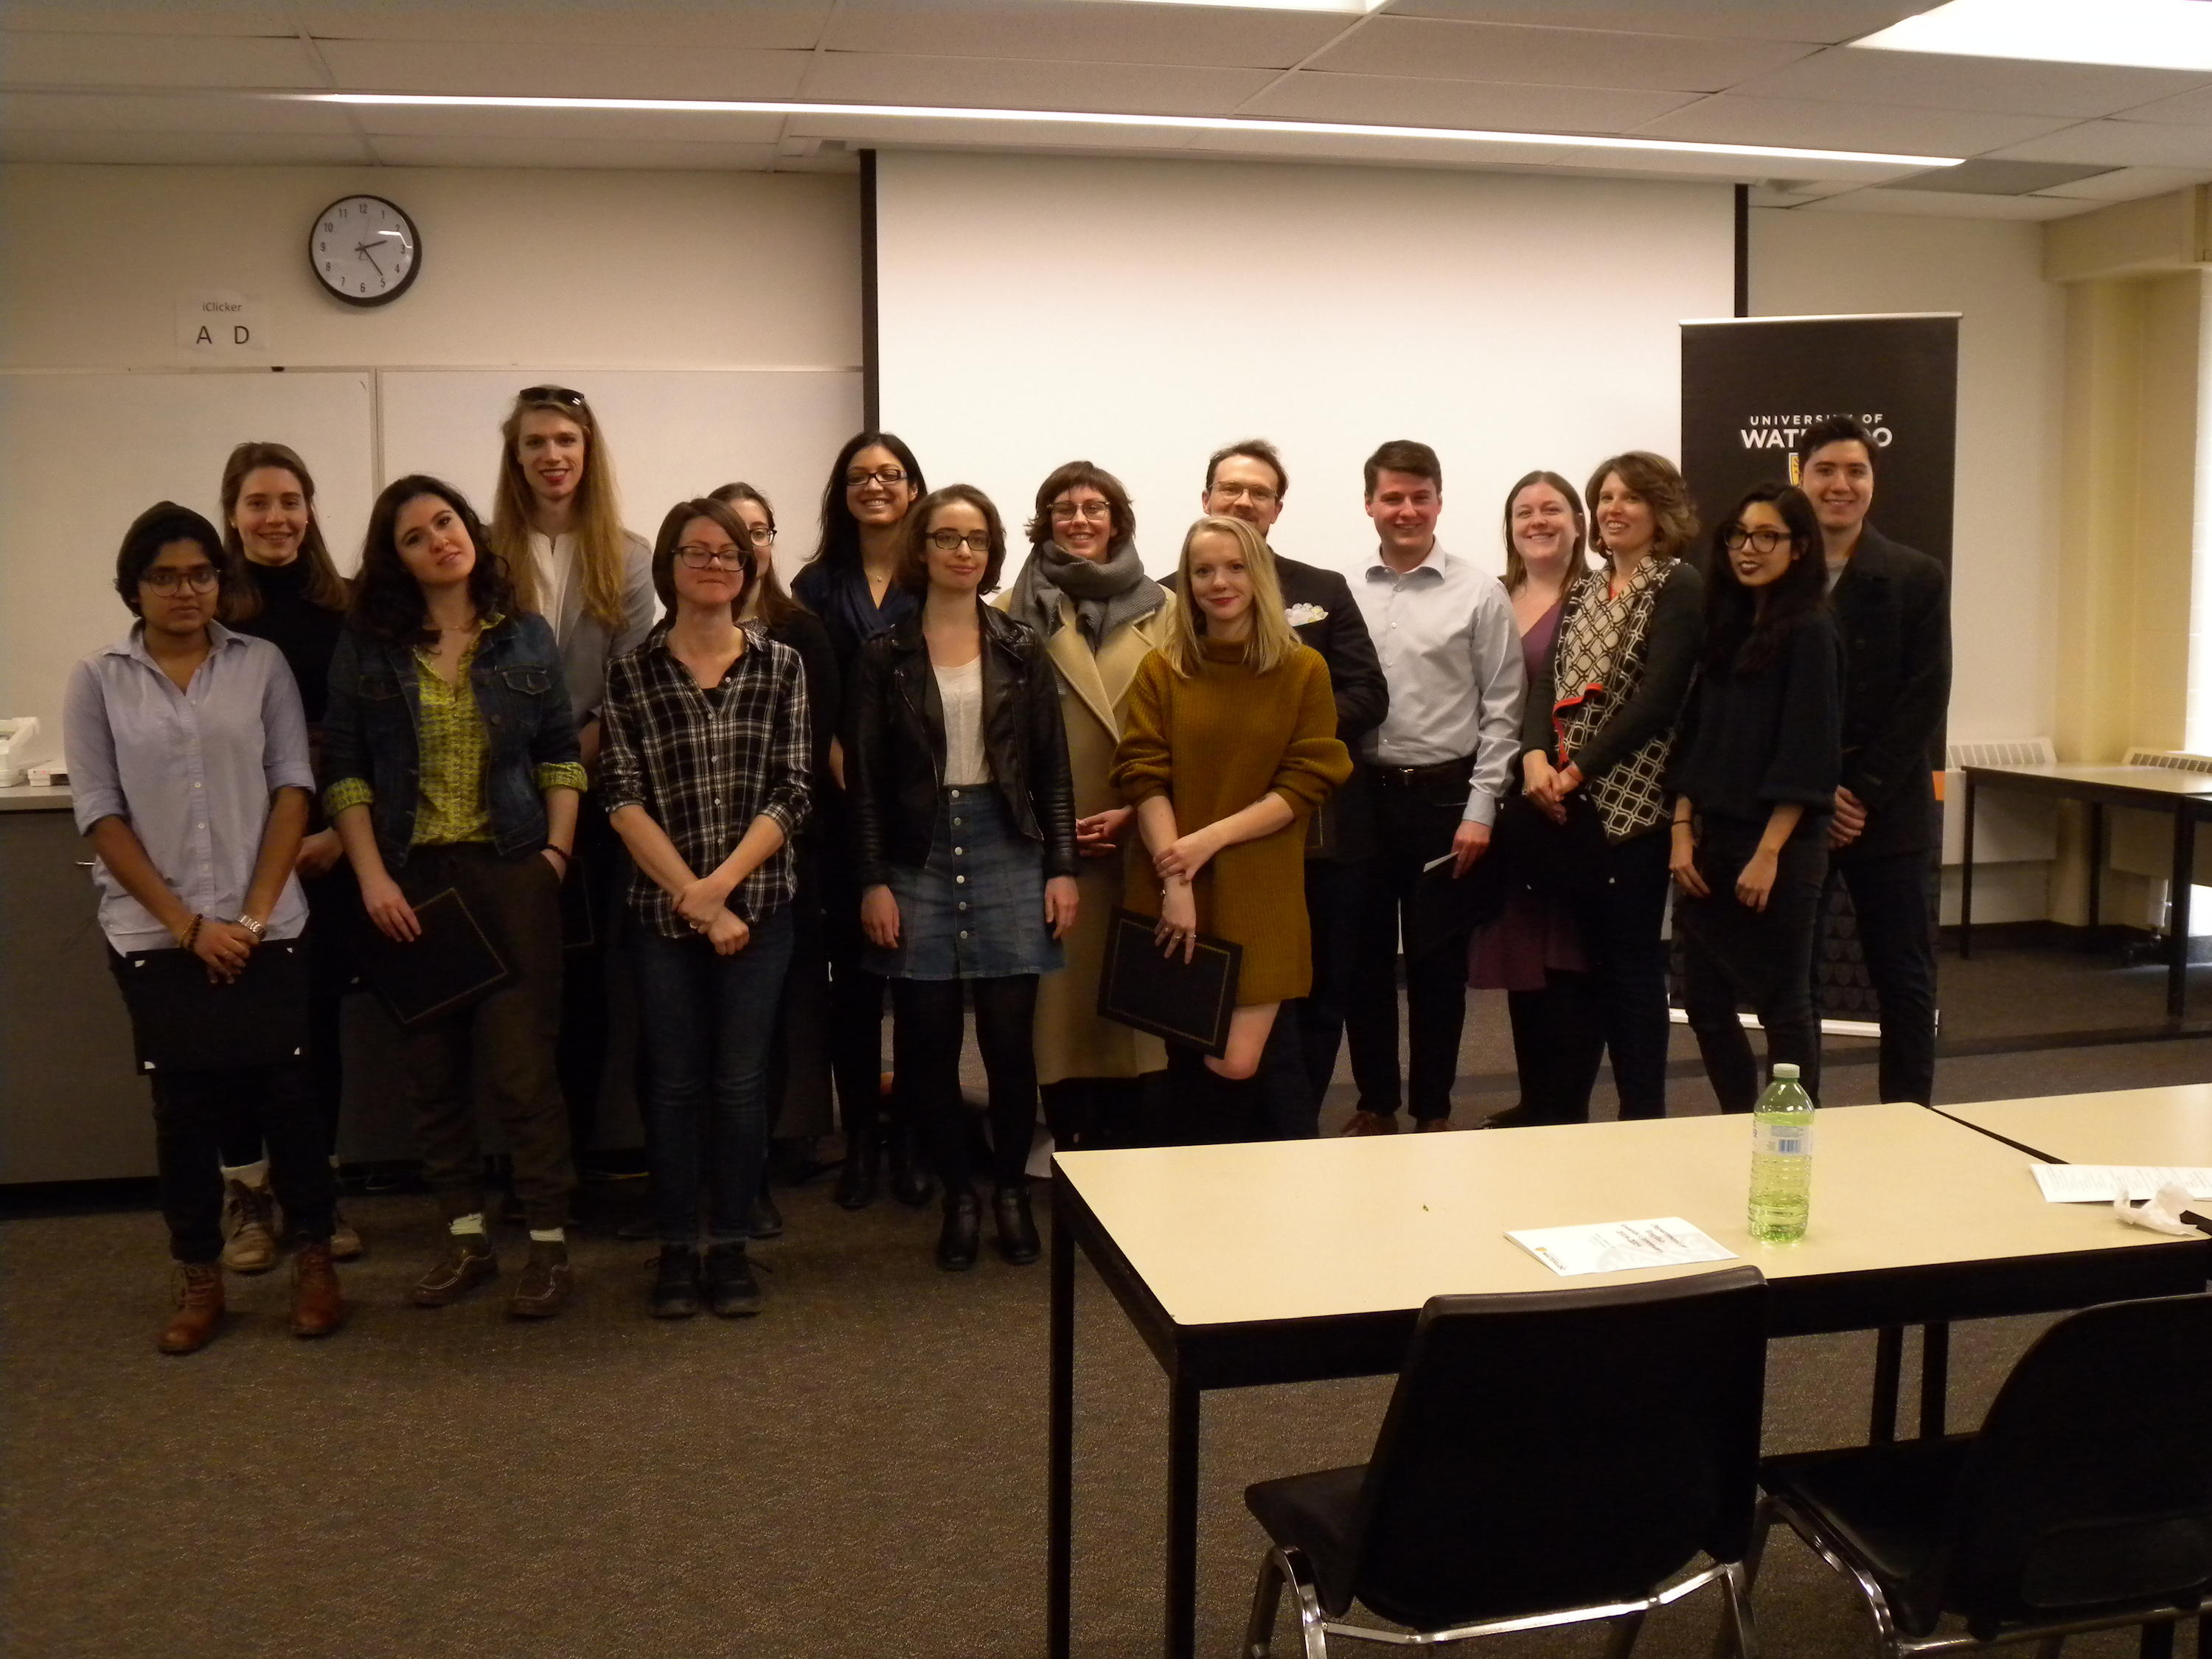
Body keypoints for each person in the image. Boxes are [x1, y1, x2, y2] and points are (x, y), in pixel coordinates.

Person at [63, 503, 343, 1353]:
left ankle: (315, 1260)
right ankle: (199, 1276)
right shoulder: (98, 678)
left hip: (270, 925)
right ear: (135, 585)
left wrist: (253, 916)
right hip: (158, 936)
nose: (185, 590)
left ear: (220, 580)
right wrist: (190, 927)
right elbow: (101, 814)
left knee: (292, 1098)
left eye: (200, 573)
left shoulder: (259, 666)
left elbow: (293, 786)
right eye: (164, 575)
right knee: (183, 1108)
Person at [323, 476, 588, 1317]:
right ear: (394, 560)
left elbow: (559, 755)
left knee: (521, 1075)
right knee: (432, 1079)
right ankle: (466, 1241)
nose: (441, 539)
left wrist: (553, 854)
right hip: (412, 883)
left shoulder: (524, 637)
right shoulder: (368, 645)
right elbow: (347, 771)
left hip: (510, 871)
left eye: (447, 521)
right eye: (415, 535)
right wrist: (370, 879)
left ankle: (548, 1249)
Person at [847, 484, 1079, 1270]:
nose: (961, 551)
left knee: (1011, 1045)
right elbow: (869, 783)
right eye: (945, 537)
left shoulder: (1020, 645)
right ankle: (961, 1196)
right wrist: (873, 879)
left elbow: (1051, 770)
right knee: (927, 1044)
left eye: (975, 538)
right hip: (916, 852)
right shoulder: (883, 654)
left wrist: (1061, 867)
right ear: (923, 548)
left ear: (991, 551)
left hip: (1006, 844)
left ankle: (1010, 1189)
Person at [600, 498, 810, 1317]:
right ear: (669, 566)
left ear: (748, 567)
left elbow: (793, 792)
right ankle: (673, 1250)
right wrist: (692, 899)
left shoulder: (781, 666)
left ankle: (729, 1248)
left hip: (758, 911)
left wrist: (718, 890)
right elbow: (619, 796)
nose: (716, 564)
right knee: (677, 1085)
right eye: (697, 551)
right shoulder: (632, 673)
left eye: (730, 552)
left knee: (740, 1084)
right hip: (663, 920)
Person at [1113, 515, 1352, 1142]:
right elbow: (1143, 776)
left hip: (1259, 889)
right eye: (1203, 571)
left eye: (1235, 567)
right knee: (1183, 1055)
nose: (1220, 582)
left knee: (1237, 1061)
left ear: (1260, 574)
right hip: (1174, 886)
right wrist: (1177, 880)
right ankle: (1189, 1214)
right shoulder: (1162, 672)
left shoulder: (1303, 672)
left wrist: (1207, 841)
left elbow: (1307, 782)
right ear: (1186, 584)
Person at [487, 385, 657, 1204]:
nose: (552, 456)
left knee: (585, 996)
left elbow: (626, 687)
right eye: (534, 444)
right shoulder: (484, 554)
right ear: (514, 458)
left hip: (589, 806)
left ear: (587, 453)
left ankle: (577, 1168)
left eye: (565, 441)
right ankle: (527, 1172)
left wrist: (561, 767)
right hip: (496, 804)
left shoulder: (626, 556)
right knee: (511, 995)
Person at [1196, 439, 1387, 1130]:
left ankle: (1295, 1131)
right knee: (1219, 991)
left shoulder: (1323, 590)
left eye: (1259, 492)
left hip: (1319, 836)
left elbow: (1369, 693)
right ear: (1207, 499)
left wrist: (1286, 730)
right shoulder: (1173, 595)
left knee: (1317, 992)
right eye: (1230, 489)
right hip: (1218, 837)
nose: (1243, 501)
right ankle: (1224, 1132)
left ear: (1278, 508)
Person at [1340, 440, 1523, 1135]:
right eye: (1392, 497)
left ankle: (1433, 1110)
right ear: (1370, 505)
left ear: (1439, 502)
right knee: (1362, 963)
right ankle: (1375, 1103)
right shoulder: (1344, 590)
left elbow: (1503, 711)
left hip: (1446, 803)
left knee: (1437, 968)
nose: (1406, 510)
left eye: (1420, 497)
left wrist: (1481, 810)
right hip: (1361, 798)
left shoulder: (1480, 592)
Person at [1518, 452, 1704, 1121]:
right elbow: (1546, 684)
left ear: (1661, 510)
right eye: (1605, 497)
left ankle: (1642, 1114)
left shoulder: (1678, 584)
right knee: (1586, 970)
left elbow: (1658, 701)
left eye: (1630, 497)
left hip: (1635, 809)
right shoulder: (1585, 592)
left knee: (1630, 973)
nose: (1613, 509)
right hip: (1568, 806)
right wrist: (1536, 754)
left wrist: (1574, 770)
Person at [213, 440, 364, 1265]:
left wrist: (337, 831)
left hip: (329, 851)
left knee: (315, 1028)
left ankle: (320, 1193)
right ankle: (246, 1194)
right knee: (235, 1027)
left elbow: (367, 732)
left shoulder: (345, 607)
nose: (277, 518)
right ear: (232, 514)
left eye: (291, 501)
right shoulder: (210, 612)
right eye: (259, 503)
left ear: (310, 510)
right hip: (234, 855)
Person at [995, 461, 1175, 1152]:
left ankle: (1135, 1139)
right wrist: (1044, 826)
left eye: (1094, 507)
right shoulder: (1009, 611)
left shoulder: (1168, 607)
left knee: (1133, 999)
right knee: (1061, 1004)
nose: (1079, 519)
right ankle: (1068, 1135)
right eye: (1064, 507)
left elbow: (1184, 724)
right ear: (1044, 521)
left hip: (1139, 825)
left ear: (1117, 521)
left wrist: (1139, 808)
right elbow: (995, 737)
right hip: (1049, 837)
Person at [792, 433, 933, 1211]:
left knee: (915, 980)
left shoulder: (935, 570)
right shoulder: (818, 583)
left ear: (914, 486)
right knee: (850, 985)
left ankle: (911, 1136)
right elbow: (806, 683)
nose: (874, 486)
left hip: (920, 803)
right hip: (841, 805)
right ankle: (863, 1144)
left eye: (889, 474)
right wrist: (834, 748)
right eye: (858, 476)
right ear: (841, 491)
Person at [1670, 484, 1842, 1113]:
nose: (1748, 549)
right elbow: (1695, 736)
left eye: (1766, 537)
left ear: (1798, 549)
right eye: (1739, 536)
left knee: (1783, 1003)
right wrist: (1682, 828)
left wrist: (1769, 852)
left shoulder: (1812, 631)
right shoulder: (1729, 625)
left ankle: (1791, 1135)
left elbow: (1810, 751)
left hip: (1779, 845)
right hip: (1712, 837)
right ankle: (1738, 1117)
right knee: (1704, 1002)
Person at [1801, 415, 1951, 1107]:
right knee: (1793, 977)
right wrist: (1818, 794)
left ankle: (1910, 1117)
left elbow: (1926, 696)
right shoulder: (1772, 569)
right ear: (1800, 478)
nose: (1841, 485)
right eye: (1826, 470)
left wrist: (1857, 793)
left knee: (1904, 975)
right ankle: (1798, 1117)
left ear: (1872, 482)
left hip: (1886, 809)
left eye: (1855, 471)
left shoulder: (1916, 575)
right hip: (1795, 806)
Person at [709, 481, 841, 1234]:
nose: (749, 545)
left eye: (761, 531)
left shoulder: (803, 634)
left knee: (765, 1031)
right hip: (691, 870)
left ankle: (752, 1176)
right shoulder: (674, 634)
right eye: (734, 533)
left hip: (785, 858)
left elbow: (810, 762)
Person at [1472, 472, 1600, 1127]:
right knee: (1521, 950)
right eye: (1524, 511)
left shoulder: (1601, 596)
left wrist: (1558, 773)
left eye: (1552, 509)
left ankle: (1567, 1103)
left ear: (1579, 521)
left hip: (1579, 798)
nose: (1538, 521)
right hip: (1510, 801)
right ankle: (1534, 1098)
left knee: (1573, 954)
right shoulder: (1492, 596)